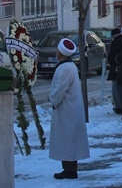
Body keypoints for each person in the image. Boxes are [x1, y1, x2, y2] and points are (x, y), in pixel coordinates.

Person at [49, 38, 90, 180]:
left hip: (66, 108)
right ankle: (69, 168)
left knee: (67, 139)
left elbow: (59, 89)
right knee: (70, 139)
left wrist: (52, 99)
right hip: (69, 107)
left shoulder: (65, 68)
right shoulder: (69, 66)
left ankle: (69, 169)